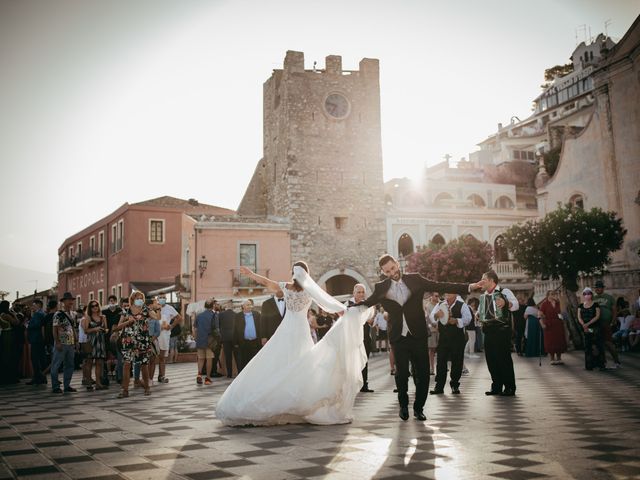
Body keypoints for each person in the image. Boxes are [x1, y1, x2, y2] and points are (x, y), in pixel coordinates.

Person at [215, 262, 373, 426]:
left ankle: (282, 401)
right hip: (301, 331)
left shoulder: (286, 287)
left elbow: (267, 282)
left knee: (279, 363)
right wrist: (349, 313)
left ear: (293, 273)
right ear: (307, 274)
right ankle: (297, 402)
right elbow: (331, 305)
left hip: (286, 329)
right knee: (302, 365)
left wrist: (251, 274)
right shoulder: (310, 290)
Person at [363, 255, 475, 422]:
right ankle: (403, 406)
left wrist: (469, 286)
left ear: (397, 264)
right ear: (383, 272)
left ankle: (419, 408)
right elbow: (367, 302)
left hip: (418, 336)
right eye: (387, 271)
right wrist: (349, 308)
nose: (392, 273)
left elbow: (439, 285)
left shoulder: (415, 279)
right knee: (401, 374)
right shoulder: (381, 287)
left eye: (393, 268)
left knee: (422, 374)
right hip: (398, 337)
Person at [477, 270, 519, 396]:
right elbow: (480, 311)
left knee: (503, 359)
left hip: (501, 330)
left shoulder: (504, 292)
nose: (481, 281)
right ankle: (496, 386)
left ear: (491, 280)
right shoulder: (484, 295)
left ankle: (510, 387)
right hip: (488, 331)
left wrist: (506, 303)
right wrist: (477, 314)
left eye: (483, 279)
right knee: (491, 359)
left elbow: (516, 305)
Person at [115, 291, 158, 398]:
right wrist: (127, 322)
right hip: (129, 341)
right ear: (133, 299)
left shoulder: (146, 310)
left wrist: (157, 308)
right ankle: (125, 390)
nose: (140, 300)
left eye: (141, 298)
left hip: (143, 341)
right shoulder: (126, 311)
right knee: (127, 364)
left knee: (144, 365)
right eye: (138, 298)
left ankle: (147, 388)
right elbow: (118, 326)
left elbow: (156, 317)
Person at [429, 293, 472, 395]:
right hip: (443, 338)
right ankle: (439, 386)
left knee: (457, 361)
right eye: (446, 292)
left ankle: (455, 385)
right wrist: (436, 315)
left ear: (455, 294)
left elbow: (468, 318)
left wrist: (457, 320)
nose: (446, 294)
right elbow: (431, 317)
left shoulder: (462, 304)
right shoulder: (440, 304)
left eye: (449, 292)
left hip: (457, 338)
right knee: (441, 362)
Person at [50, 292, 78, 393]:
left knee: (70, 365)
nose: (71, 302)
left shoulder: (73, 314)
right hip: (61, 342)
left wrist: (76, 341)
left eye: (72, 300)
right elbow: (54, 329)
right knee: (56, 364)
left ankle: (67, 385)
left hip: (70, 343)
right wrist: (57, 342)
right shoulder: (58, 314)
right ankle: (55, 386)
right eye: (68, 300)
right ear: (64, 301)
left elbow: (73, 328)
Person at [348, 284, 374, 393]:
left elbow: (371, 321)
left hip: (365, 336)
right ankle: (352, 385)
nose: (361, 294)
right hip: (352, 337)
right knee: (352, 361)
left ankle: (364, 384)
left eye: (363, 292)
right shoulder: (348, 304)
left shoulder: (368, 305)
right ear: (354, 293)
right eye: (359, 292)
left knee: (364, 360)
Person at [593, 280, 621, 368]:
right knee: (598, 344)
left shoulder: (609, 297)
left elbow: (614, 310)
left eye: (599, 287)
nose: (597, 289)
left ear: (603, 288)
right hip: (596, 324)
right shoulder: (593, 299)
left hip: (606, 323)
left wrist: (613, 321)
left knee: (609, 343)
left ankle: (617, 362)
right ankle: (602, 362)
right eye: (596, 287)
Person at [82, 300, 108, 390]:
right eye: (92, 306)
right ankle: (89, 383)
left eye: (96, 305)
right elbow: (86, 331)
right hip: (92, 342)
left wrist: (105, 330)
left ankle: (98, 383)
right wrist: (95, 329)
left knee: (99, 363)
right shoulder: (88, 318)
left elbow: (106, 329)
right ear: (90, 308)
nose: (95, 307)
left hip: (100, 341)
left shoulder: (103, 317)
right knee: (89, 363)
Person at [234, 300, 265, 372]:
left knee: (255, 361)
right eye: (247, 305)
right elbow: (235, 329)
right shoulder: (238, 316)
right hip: (243, 343)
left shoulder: (257, 314)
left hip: (255, 342)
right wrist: (235, 342)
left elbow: (261, 327)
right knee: (243, 362)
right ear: (243, 306)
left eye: (250, 304)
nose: (250, 306)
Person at [578, 287, 604, 370]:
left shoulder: (595, 304)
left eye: (588, 293)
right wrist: (583, 325)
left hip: (595, 328)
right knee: (588, 346)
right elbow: (579, 317)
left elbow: (597, 316)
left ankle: (600, 364)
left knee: (597, 345)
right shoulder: (580, 306)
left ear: (591, 295)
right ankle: (589, 365)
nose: (587, 295)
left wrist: (588, 324)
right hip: (586, 328)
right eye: (585, 294)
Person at [538, 290, 567, 365]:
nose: (553, 295)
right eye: (552, 294)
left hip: (558, 324)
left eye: (554, 294)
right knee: (550, 341)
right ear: (548, 295)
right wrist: (542, 324)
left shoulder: (558, 303)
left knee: (559, 341)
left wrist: (560, 299)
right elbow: (539, 315)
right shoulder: (544, 304)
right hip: (549, 325)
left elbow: (563, 313)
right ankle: (552, 358)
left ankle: (559, 358)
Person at [157, 294, 180, 383]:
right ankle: (149, 378)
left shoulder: (169, 308)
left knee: (162, 357)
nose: (162, 299)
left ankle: (162, 376)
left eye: (164, 297)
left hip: (164, 335)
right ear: (157, 299)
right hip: (154, 335)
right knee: (151, 358)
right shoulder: (153, 307)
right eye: (160, 297)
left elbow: (179, 318)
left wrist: (171, 326)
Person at [195, 299, 218, 385]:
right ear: (213, 306)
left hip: (200, 340)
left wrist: (196, 338)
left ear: (205, 306)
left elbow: (195, 329)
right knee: (209, 359)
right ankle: (207, 378)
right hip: (210, 341)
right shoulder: (214, 315)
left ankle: (199, 374)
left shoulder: (199, 316)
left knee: (200, 359)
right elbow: (216, 329)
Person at [27, 299, 47, 385]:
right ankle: (41, 377)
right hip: (39, 339)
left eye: (34, 305)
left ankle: (37, 378)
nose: (32, 307)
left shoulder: (38, 314)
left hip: (36, 339)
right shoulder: (41, 313)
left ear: (38, 305)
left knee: (35, 358)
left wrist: (28, 325)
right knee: (40, 359)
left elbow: (36, 325)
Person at [0, 300, 20, 385]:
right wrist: (15, 315)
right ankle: (10, 377)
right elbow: (16, 322)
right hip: (9, 335)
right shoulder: (6, 315)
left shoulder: (0, 315)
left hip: (3, 334)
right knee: (10, 355)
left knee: (4, 355)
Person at [218, 302, 238, 378]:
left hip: (225, 337)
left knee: (228, 356)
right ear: (232, 307)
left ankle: (229, 374)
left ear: (226, 307)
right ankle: (238, 372)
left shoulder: (221, 315)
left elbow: (219, 326)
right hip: (234, 337)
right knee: (237, 356)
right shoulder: (236, 314)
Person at [424, 292, 440, 376]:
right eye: (436, 296)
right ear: (432, 296)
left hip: (439, 330)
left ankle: (438, 367)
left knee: (438, 350)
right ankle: (431, 368)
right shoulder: (428, 305)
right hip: (432, 330)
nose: (437, 297)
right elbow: (428, 317)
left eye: (438, 296)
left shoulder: (440, 304)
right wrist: (434, 325)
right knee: (431, 350)